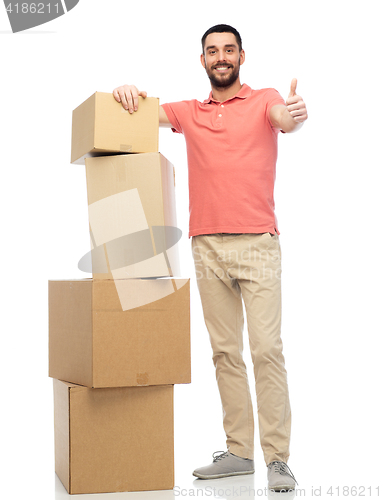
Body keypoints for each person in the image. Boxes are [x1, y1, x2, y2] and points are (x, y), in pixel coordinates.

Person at [113, 24, 307, 491]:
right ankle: (239, 452)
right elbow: (142, 111)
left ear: (242, 56)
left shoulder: (264, 99)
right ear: (203, 60)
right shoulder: (190, 111)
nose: (221, 57)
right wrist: (127, 91)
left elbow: (284, 117)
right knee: (224, 353)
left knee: (265, 350)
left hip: (257, 242)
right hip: (207, 245)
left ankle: (277, 459)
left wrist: (293, 114)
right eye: (212, 51)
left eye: (229, 50)